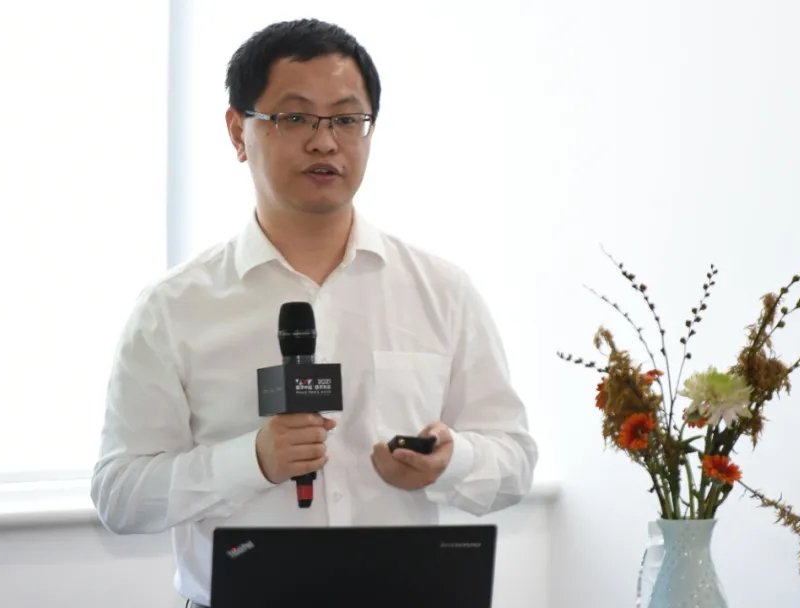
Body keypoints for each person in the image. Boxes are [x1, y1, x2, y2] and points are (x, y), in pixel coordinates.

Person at [90, 18, 539, 608]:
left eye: (347, 120)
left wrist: (451, 462)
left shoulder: (441, 291)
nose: (326, 142)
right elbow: (120, 495)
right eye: (295, 117)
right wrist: (251, 461)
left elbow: (514, 461)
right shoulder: (173, 309)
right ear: (238, 131)